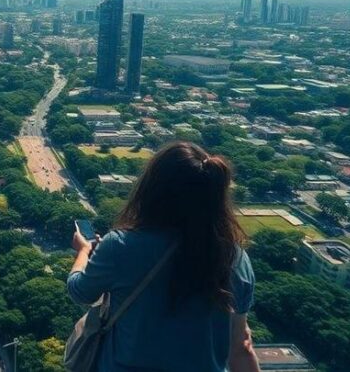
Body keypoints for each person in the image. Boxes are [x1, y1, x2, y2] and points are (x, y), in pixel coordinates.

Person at [67, 142, 261, 372]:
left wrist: (83, 252)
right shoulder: (234, 258)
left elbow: (81, 292)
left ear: (152, 190)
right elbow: (242, 346)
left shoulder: (121, 246)